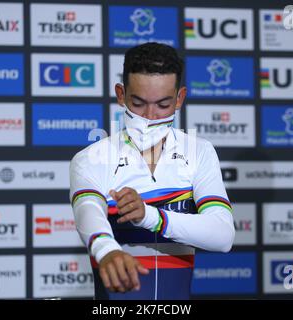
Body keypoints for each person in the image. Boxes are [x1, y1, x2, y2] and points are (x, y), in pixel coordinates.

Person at [69, 42, 235, 300]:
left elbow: (223, 235)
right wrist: (106, 250)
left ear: (179, 98)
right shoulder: (90, 159)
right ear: (121, 94)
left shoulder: (199, 152)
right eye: (138, 103)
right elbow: (87, 211)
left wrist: (151, 216)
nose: (149, 116)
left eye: (163, 105)